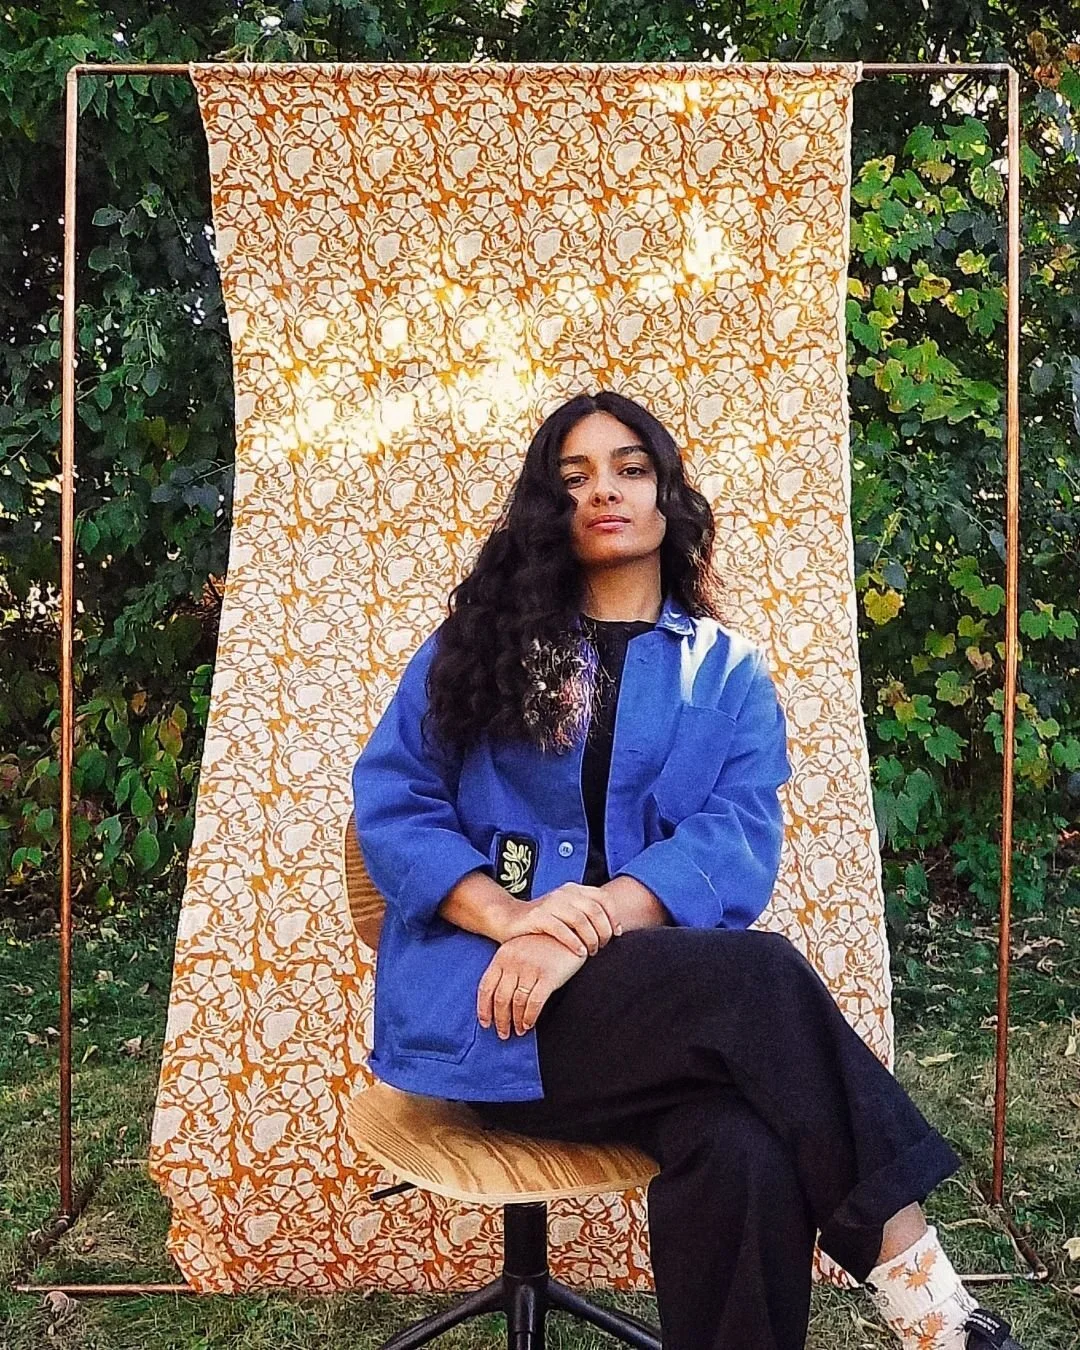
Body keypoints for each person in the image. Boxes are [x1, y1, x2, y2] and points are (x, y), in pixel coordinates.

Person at [350, 390, 1024, 1350]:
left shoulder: (730, 674)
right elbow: (393, 802)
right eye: (574, 477)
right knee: (760, 978)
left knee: (743, 1146)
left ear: (668, 496)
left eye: (630, 469)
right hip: (493, 1011)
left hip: (658, 1027)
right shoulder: (475, 649)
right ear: (548, 508)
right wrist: (517, 921)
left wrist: (587, 925)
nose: (604, 491)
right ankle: (932, 1306)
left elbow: (736, 836)